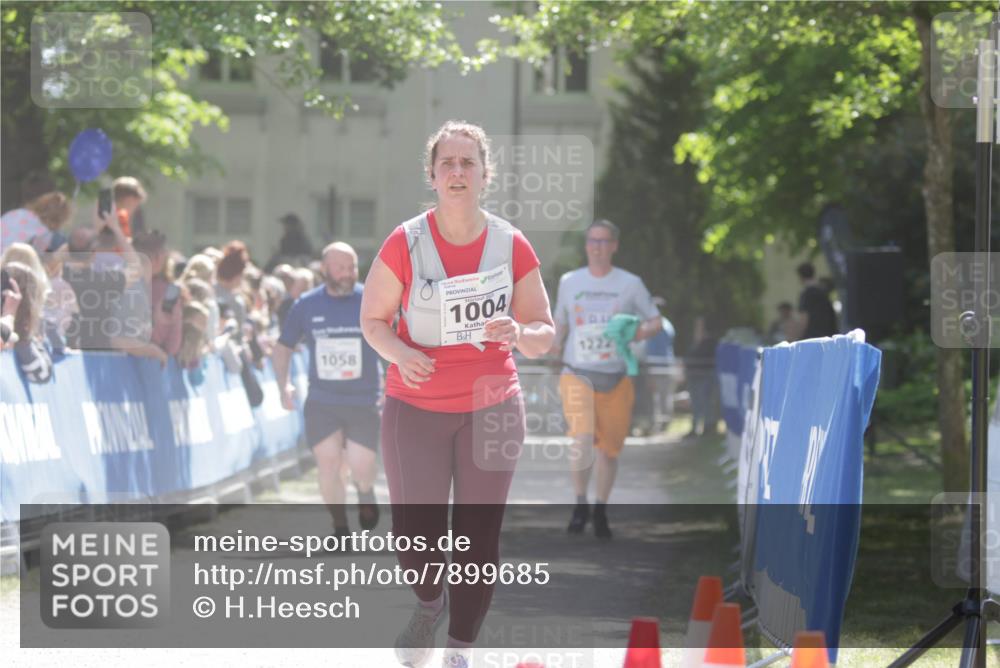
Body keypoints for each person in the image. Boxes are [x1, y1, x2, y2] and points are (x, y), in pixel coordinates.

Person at [360, 120, 554, 668]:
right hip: (413, 406)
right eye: (448, 163)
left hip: (492, 405)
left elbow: (544, 329)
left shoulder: (510, 243)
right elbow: (373, 320)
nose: (458, 172)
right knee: (415, 537)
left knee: (478, 537)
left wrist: (520, 333)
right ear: (432, 175)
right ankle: (429, 602)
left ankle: (459, 651)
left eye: (468, 163)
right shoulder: (405, 242)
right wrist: (401, 353)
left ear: (485, 175)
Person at [550, 219, 661, 539]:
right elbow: (561, 321)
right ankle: (579, 504)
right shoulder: (571, 281)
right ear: (586, 246)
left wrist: (636, 332)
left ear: (614, 246)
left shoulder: (630, 283)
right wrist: (553, 346)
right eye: (592, 241)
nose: (597, 247)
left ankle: (600, 508)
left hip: (616, 377)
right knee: (582, 439)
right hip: (577, 373)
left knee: (609, 451)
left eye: (603, 241)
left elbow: (655, 320)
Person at [273, 242, 382, 542]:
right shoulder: (306, 305)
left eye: (352, 268)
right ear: (325, 270)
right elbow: (282, 348)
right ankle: (339, 528)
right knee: (329, 463)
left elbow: (393, 341)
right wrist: (284, 385)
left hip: (363, 399)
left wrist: (392, 382)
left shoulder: (370, 300)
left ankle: (364, 490)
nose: (348, 274)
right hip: (323, 401)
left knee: (361, 466)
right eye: (341, 268)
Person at [684, 315, 720, 438]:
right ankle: (695, 427)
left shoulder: (710, 342)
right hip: (694, 376)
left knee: (706, 402)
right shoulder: (695, 341)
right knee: (695, 403)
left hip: (705, 376)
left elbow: (706, 357)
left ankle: (708, 427)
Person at [794, 262, 838, 340]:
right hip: (828, 335)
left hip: (813, 337)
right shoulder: (823, 292)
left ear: (801, 277)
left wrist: (797, 337)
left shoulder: (806, 294)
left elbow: (804, 318)